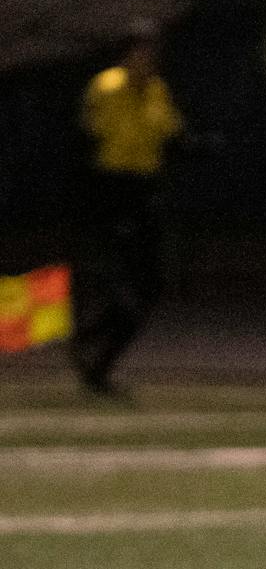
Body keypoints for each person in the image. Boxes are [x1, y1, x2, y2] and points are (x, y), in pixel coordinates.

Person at [70, 22, 183, 398]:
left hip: (145, 193)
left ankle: (90, 343)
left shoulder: (157, 90)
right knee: (123, 288)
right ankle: (94, 360)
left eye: (153, 52)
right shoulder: (108, 87)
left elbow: (168, 136)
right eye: (141, 50)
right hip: (112, 192)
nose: (148, 59)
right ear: (127, 53)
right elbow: (89, 139)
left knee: (151, 284)